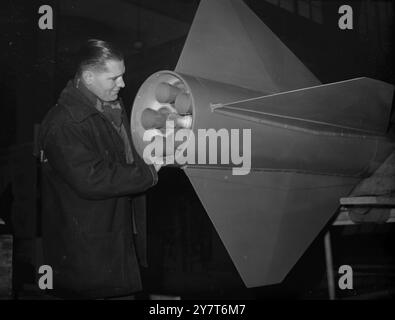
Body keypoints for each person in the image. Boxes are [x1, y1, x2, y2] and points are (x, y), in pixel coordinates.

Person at [38, 39, 160, 299]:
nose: (123, 84)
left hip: (116, 239)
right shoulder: (64, 123)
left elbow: (124, 157)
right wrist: (150, 171)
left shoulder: (110, 108)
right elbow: (92, 179)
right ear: (88, 77)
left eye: (122, 76)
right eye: (113, 78)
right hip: (89, 254)